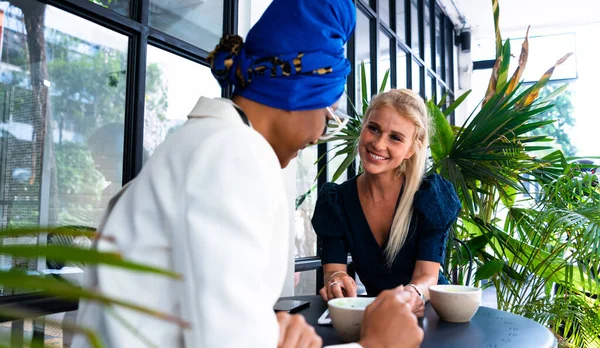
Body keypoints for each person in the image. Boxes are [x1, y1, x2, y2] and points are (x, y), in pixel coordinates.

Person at [71, 1, 423, 348]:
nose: (318, 133)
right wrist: (377, 344)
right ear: (300, 92)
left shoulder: (206, 146)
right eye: (327, 115)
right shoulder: (234, 155)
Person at [312, 89, 461, 317]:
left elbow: (427, 276)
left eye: (395, 137)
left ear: (412, 148)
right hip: (376, 316)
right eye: (374, 129)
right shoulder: (337, 201)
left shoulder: (430, 196)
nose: (379, 144)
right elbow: (333, 270)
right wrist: (336, 280)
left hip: (430, 313)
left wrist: (412, 294)